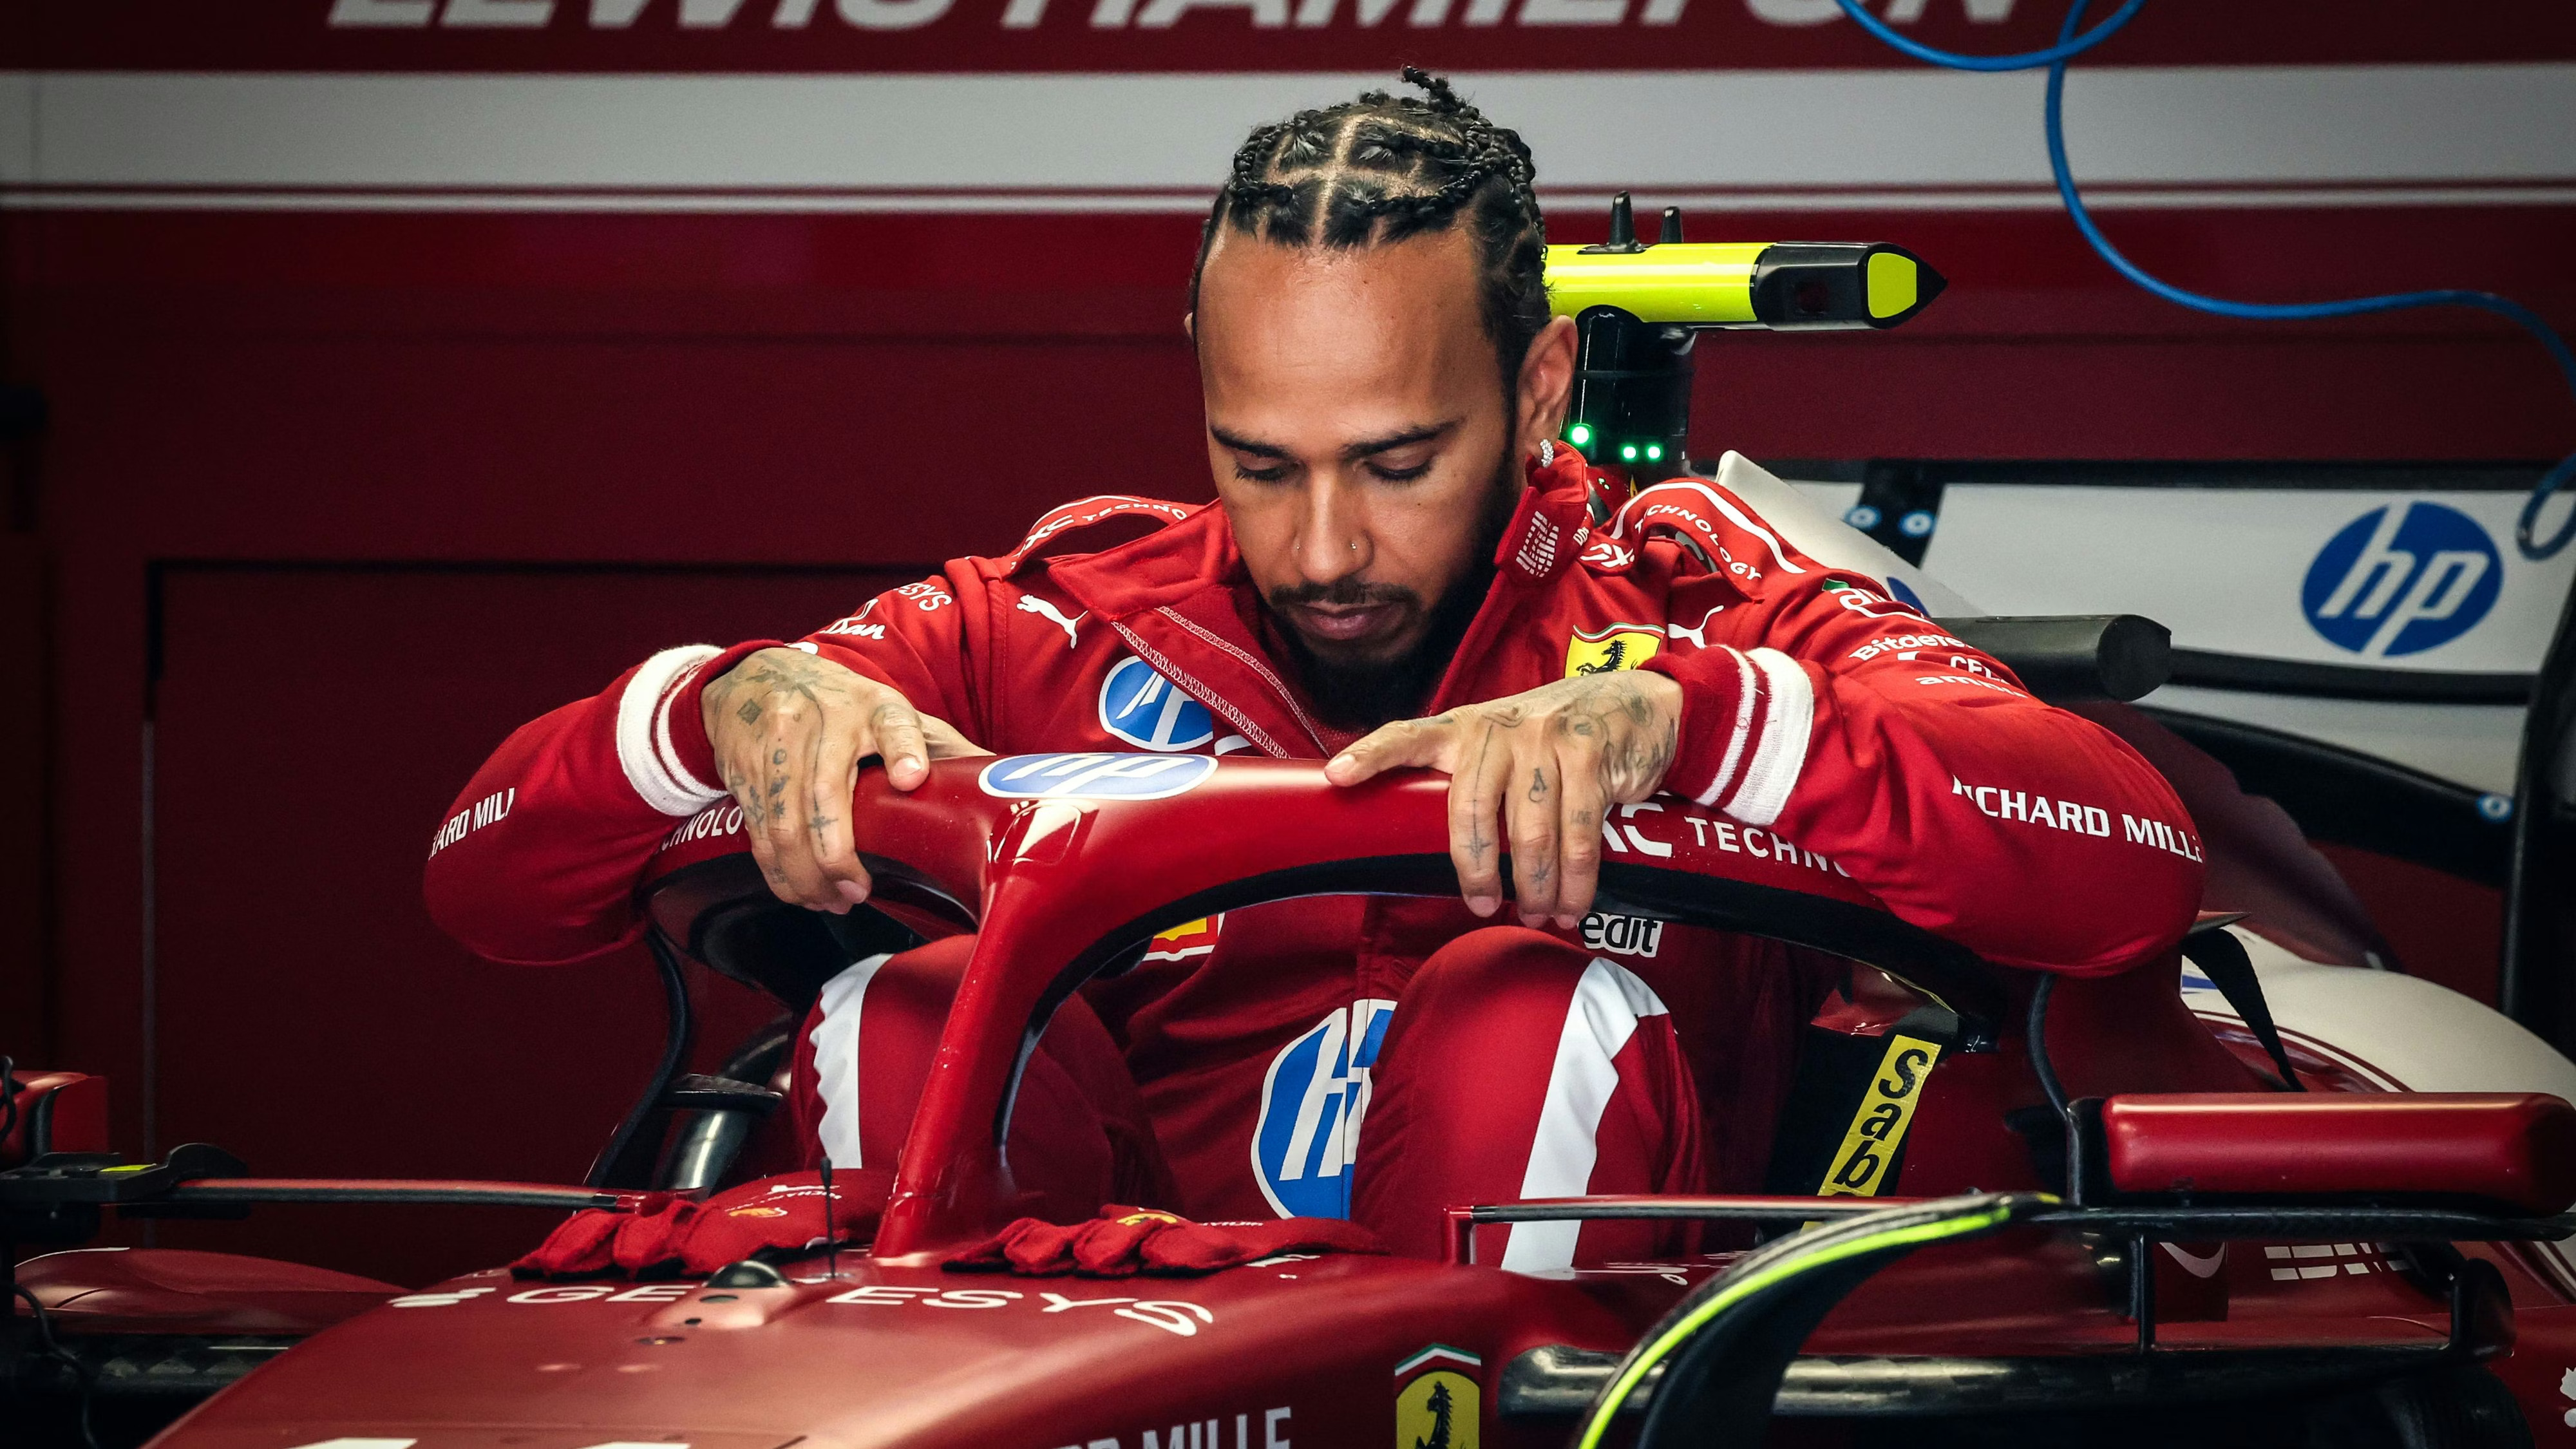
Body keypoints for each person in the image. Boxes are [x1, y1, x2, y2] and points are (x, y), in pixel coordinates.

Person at [425, 71, 2202, 1269]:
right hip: (1081, 1381)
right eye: (1259, 462)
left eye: (1399, 460)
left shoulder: (1693, 602)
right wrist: (716, 709)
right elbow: (482, 877)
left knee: (1528, 1009)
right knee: (894, 1008)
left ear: (1533, 387)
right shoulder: (1051, 620)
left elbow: (2128, 857)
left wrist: (1698, 722)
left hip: (1605, 1390)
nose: (1326, 547)